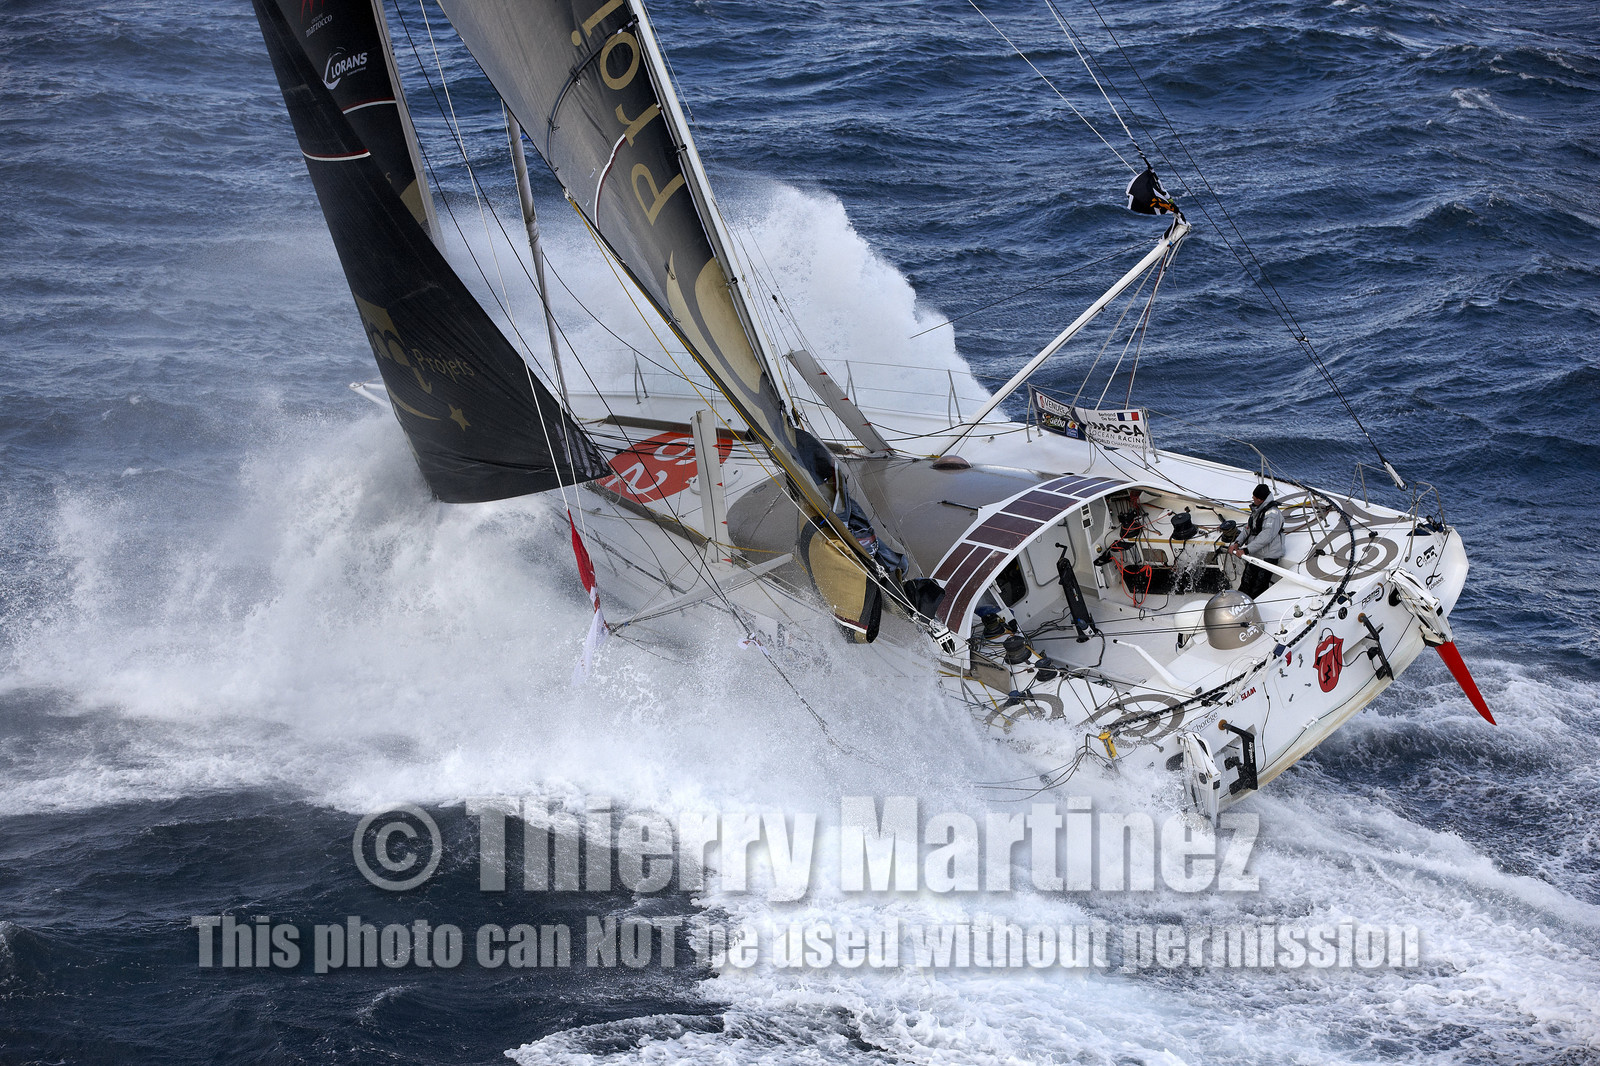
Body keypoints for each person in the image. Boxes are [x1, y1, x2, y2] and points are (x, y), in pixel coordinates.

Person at [1231, 484, 1284, 599]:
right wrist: (1237, 543)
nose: (1252, 499)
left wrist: (1246, 550)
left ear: (1260, 499)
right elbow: (1248, 529)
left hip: (1267, 557)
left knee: (1258, 589)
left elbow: (1266, 536)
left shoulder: (1273, 514)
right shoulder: (1257, 510)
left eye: (1254, 497)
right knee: (1245, 584)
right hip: (1255, 554)